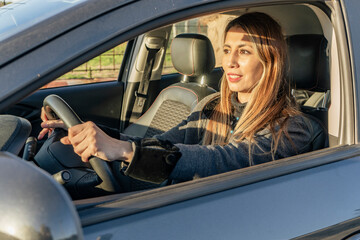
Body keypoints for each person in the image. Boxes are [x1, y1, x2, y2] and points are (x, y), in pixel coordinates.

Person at [38, 12, 320, 184]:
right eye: (227, 50)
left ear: (269, 61)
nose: (229, 62)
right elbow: (165, 143)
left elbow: (224, 160)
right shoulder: (212, 106)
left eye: (244, 51)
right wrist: (89, 134)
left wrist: (124, 151)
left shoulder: (294, 127)